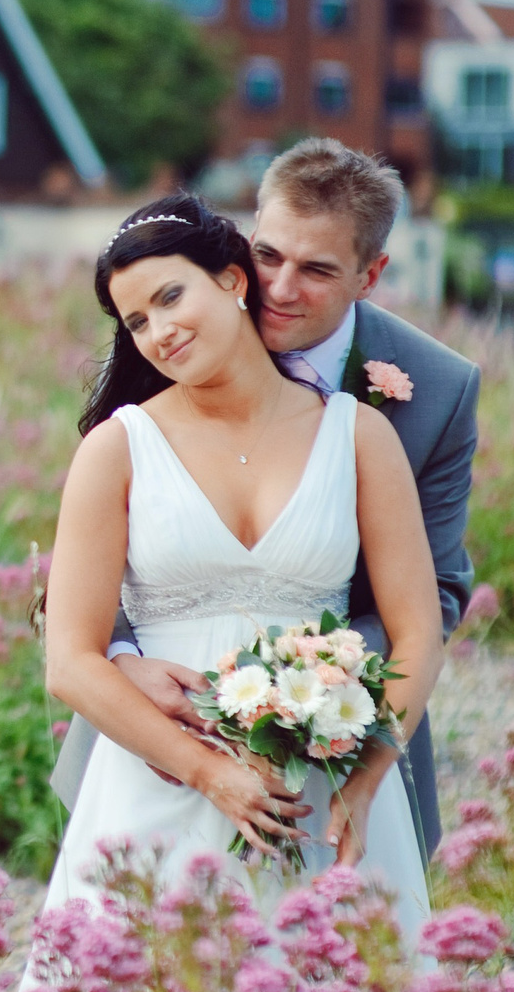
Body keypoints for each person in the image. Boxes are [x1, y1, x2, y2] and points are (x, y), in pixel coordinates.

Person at [48, 139, 481, 857]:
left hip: (333, 738)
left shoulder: (427, 392)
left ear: (370, 275)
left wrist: (299, 698)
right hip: (160, 736)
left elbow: (429, 599)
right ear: (240, 257)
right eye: (269, 256)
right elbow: (88, 604)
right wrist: (124, 661)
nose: (280, 289)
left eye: (316, 270)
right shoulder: (171, 342)